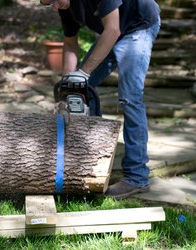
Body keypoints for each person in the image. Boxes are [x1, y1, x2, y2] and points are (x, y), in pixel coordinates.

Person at [40, 0, 161, 199]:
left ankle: (137, 177)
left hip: (139, 24)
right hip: (115, 28)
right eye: (46, 4)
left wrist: (84, 73)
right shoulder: (64, 6)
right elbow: (70, 43)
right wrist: (67, 86)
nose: (52, 6)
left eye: (52, 1)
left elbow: (112, 30)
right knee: (80, 88)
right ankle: (92, 161)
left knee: (130, 98)